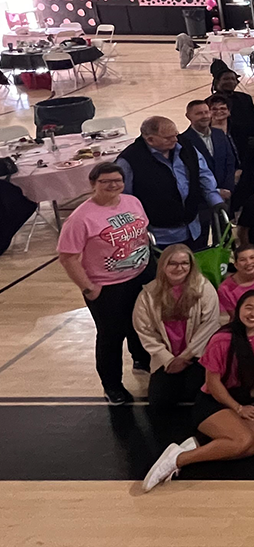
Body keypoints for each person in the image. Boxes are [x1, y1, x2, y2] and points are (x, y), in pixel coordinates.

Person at [141, 289, 254, 491]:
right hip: (214, 401)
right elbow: (212, 384)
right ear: (238, 309)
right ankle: (176, 459)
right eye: (249, 307)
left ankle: (198, 446)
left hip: (243, 398)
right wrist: (238, 409)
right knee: (242, 441)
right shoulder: (223, 339)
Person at [57, 162, 154, 404]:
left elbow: (143, 233)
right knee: (111, 337)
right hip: (107, 286)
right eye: (105, 181)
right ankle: (112, 386)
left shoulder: (133, 202)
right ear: (93, 184)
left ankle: (141, 359)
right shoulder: (80, 218)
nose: (113, 185)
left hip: (140, 276)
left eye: (117, 180)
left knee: (141, 324)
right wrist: (89, 288)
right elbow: (68, 257)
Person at [116, 116, 225, 252]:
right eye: (168, 138)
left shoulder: (185, 145)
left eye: (175, 135)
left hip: (194, 228)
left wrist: (215, 201)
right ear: (150, 139)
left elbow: (203, 174)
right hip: (160, 237)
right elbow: (123, 199)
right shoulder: (129, 160)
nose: (175, 140)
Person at [132, 245, 220, 410]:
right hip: (166, 359)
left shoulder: (204, 288)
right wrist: (168, 359)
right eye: (173, 263)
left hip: (196, 354)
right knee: (159, 402)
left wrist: (185, 356)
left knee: (196, 396)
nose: (179, 268)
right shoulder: (148, 294)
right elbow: (144, 331)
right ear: (163, 265)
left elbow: (210, 324)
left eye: (184, 263)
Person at [213, 67, 254, 212]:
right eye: (226, 79)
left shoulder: (245, 98)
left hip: (248, 152)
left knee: (248, 188)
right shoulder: (212, 102)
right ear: (217, 82)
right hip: (227, 155)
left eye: (232, 79)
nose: (230, 81)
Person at [181, 99, 238, 202]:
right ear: (188, 116)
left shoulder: (219, 134)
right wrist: (213, 192)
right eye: (199, 113)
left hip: (225, 194)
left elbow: (230, 162)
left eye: (206, 112)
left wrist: (228, 188)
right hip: (200, 199)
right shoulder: (183, 141)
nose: (205, 116)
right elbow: (188, 173)